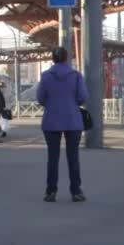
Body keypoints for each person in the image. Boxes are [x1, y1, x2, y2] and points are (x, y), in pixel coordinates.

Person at [37, 47, 89, 203]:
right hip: (73, 120)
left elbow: (40, 98)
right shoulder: (76, 76)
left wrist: (53, 104)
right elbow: (82, 98)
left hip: (51, 120)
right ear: (67, 59)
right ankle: (76, 192)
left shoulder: (46, 76)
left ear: (52, 59)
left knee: (52, 158)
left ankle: (51, 192)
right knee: (73, 157)